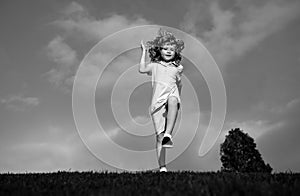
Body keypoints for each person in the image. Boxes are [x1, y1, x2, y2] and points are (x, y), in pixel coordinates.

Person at [139, 29, 184, 172]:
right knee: (158, 137)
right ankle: (162, 167)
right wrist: (144, 52)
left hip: (171, 97)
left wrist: (178, 100)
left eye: (172, 49)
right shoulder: (155, 65)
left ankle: (168, 134)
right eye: (165, 49)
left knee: (172, 99)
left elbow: (180, 84)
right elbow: (142, 69)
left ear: (176, 52)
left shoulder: (178, 68)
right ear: (159, 50)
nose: (169, 51)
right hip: (156, 103)